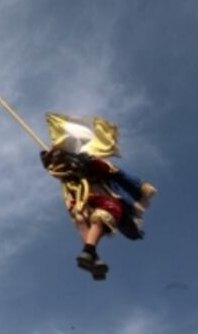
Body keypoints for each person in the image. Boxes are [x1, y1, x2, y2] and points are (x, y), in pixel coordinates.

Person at [41, 113, 157, 281]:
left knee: (102, 216)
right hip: (79, 194)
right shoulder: (63, 166)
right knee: (81, 219)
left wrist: (85, 162)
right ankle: (92, 256)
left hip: (99, 192)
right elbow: (54, 168)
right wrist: (49, 158)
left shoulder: (91, 161)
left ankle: (89, 252)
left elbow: (111, 172)